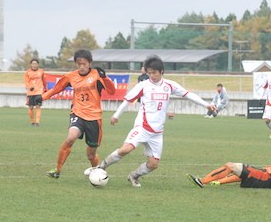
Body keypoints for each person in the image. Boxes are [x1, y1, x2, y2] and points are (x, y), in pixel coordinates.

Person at [85, 54, 216, 187]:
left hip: (157, 133)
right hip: (142, 127)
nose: (152, 76)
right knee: (125, 149)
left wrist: (206, 104)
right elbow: (128, 100)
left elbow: (188, 95)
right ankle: (100, 168)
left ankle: (133, 176)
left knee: (153, 164)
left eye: (154, 73)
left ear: (162, 71)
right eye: (149, 73)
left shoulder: (169, 85)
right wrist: (116, 115)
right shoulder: (143, 85)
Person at [35, 49, 116, 179]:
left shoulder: (96, 75)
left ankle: (96, 171)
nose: (82, 66)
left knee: (91, 154)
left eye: (84, 63)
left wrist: (105, 78)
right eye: (79, 63)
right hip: (77, 113)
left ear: (90, 63)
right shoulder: (71, 76)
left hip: (94, 118)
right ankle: (57, 170)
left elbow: (112, 91)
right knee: (71, 138)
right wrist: (42, 97)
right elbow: (57, 89)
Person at [186, 133, 271, 193]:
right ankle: (217, 182)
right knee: (242, 173)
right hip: (267, 177)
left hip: (267, 178)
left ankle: (202, 181)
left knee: (231, 166)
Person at [25, 58, 47, 126]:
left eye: (35, 64)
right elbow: (26, 82)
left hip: (39, 92)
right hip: (30, 92)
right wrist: (29, 87)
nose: (34, 65)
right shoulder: (27, 72)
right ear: (31, 64)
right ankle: (32, 121)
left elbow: (44, 80)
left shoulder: (41, 71)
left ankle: (37, 122)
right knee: (31, 107)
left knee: (38, 106)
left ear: (38, 64)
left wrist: (45, 87)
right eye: (33, 64)